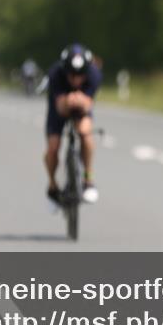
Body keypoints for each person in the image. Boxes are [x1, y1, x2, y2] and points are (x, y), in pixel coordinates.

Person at [44, 44, 102, 206]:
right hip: (58, 107)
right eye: (72, 75)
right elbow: (60, 108)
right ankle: (52, 185)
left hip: (81, 107)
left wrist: (80, 101)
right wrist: (68, 101)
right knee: (53, 147)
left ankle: (88, 179)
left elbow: (88, 104)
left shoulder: (94, 74)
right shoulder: (55, 74)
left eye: (80, 75)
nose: (76, 80)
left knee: (85, 132)